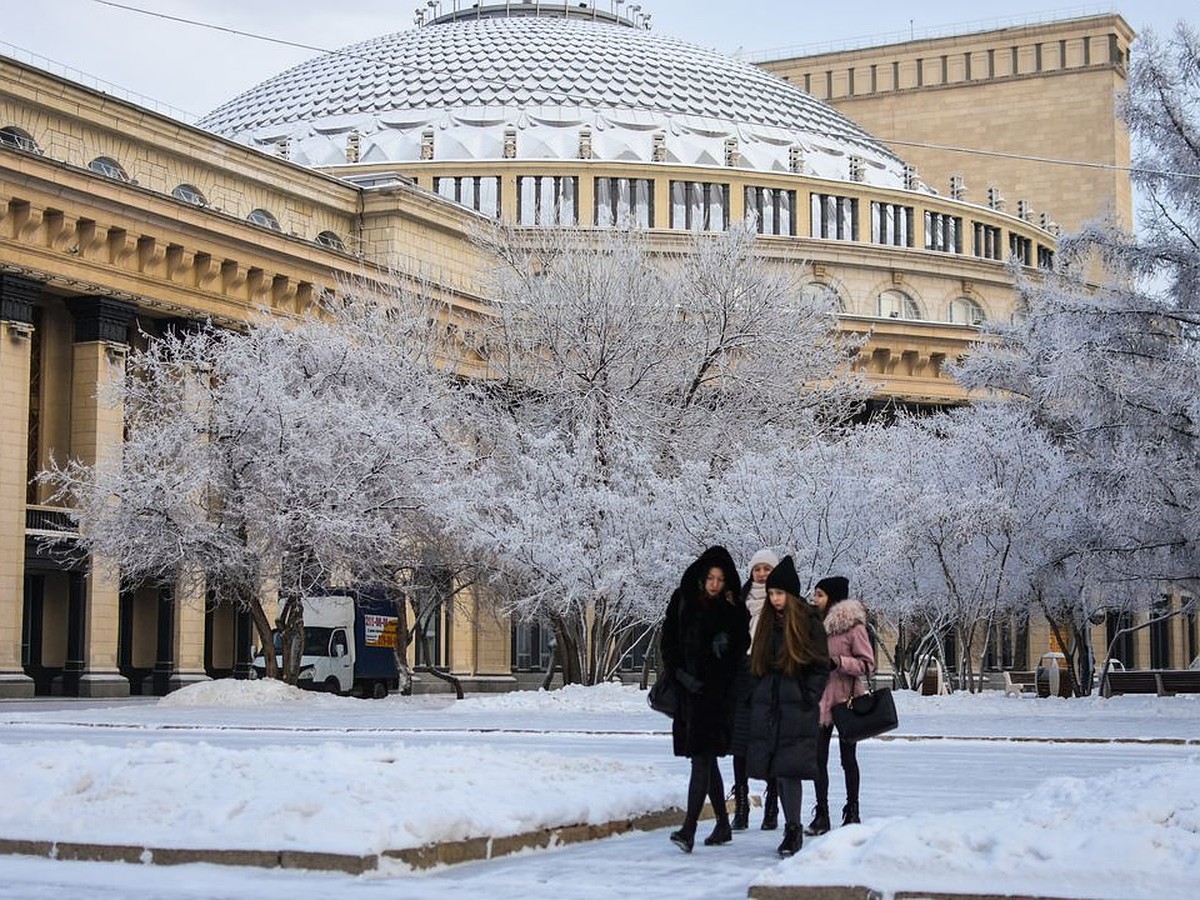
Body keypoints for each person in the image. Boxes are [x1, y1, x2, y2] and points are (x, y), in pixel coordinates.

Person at [660, 545, 749, 853]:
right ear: (701, 577)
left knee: (701, 758)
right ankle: (723, 825)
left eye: (720, 579)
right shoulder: (683, 601)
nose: (714, 584)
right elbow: (668, 642)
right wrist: (681, 676)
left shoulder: (731, 609)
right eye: (710, 577)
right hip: (688, 694)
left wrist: (727, 644)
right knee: (705, 761)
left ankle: (689, 830)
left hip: (714, 698)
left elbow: (739, 649)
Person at [745, 555, 830, 858]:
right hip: (770, 706)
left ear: (791, 594)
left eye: (779, 593)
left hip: (797, 707)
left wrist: (809, 696)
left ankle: (793, 828)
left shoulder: (808, 623)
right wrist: (757, 693)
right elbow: (757, 663)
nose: (775, 599)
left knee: (790, 770)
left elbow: (821, 666)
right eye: (771, 593)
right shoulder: (767, 622)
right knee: (778, 770)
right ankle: (788, 825)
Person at [805, 575, 875, 835]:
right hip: (820, 702)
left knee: (848, 759)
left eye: (820, 595)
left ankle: (852, 811)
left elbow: (868, 664)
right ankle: (821, 814)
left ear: (833, 598)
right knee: (817, 759)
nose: (815, 599)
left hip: (847, 702)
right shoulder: (813, 624)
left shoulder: (853, 627)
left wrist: (839, 662)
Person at [729, 548, 779, 831]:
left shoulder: (779, 602)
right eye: (757, 568)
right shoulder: (740, 600)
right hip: (743, 677)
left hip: (769, 676)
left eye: (767, 569)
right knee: (741, 743)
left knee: (770, 743)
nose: (761, 573)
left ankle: (772, 805)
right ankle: (742, 806)